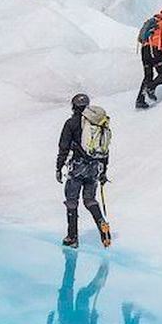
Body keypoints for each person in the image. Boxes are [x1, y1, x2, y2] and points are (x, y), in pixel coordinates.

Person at [56, 93, 111, 248]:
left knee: (72, 202)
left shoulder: (71, 123)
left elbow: (64, 147)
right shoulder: (98, 123)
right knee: (90, 200)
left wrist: (59, 167)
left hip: (77, 168)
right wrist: (103, 171)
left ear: (73, 106)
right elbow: (105, 149)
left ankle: (72, 237)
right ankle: (103, 228)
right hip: (94, 168)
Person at [136, 6, 162, 109]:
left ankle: (140, 100)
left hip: (144, 50)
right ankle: (150, 88)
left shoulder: (152, 22)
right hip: (155, 50)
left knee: (148, 76)